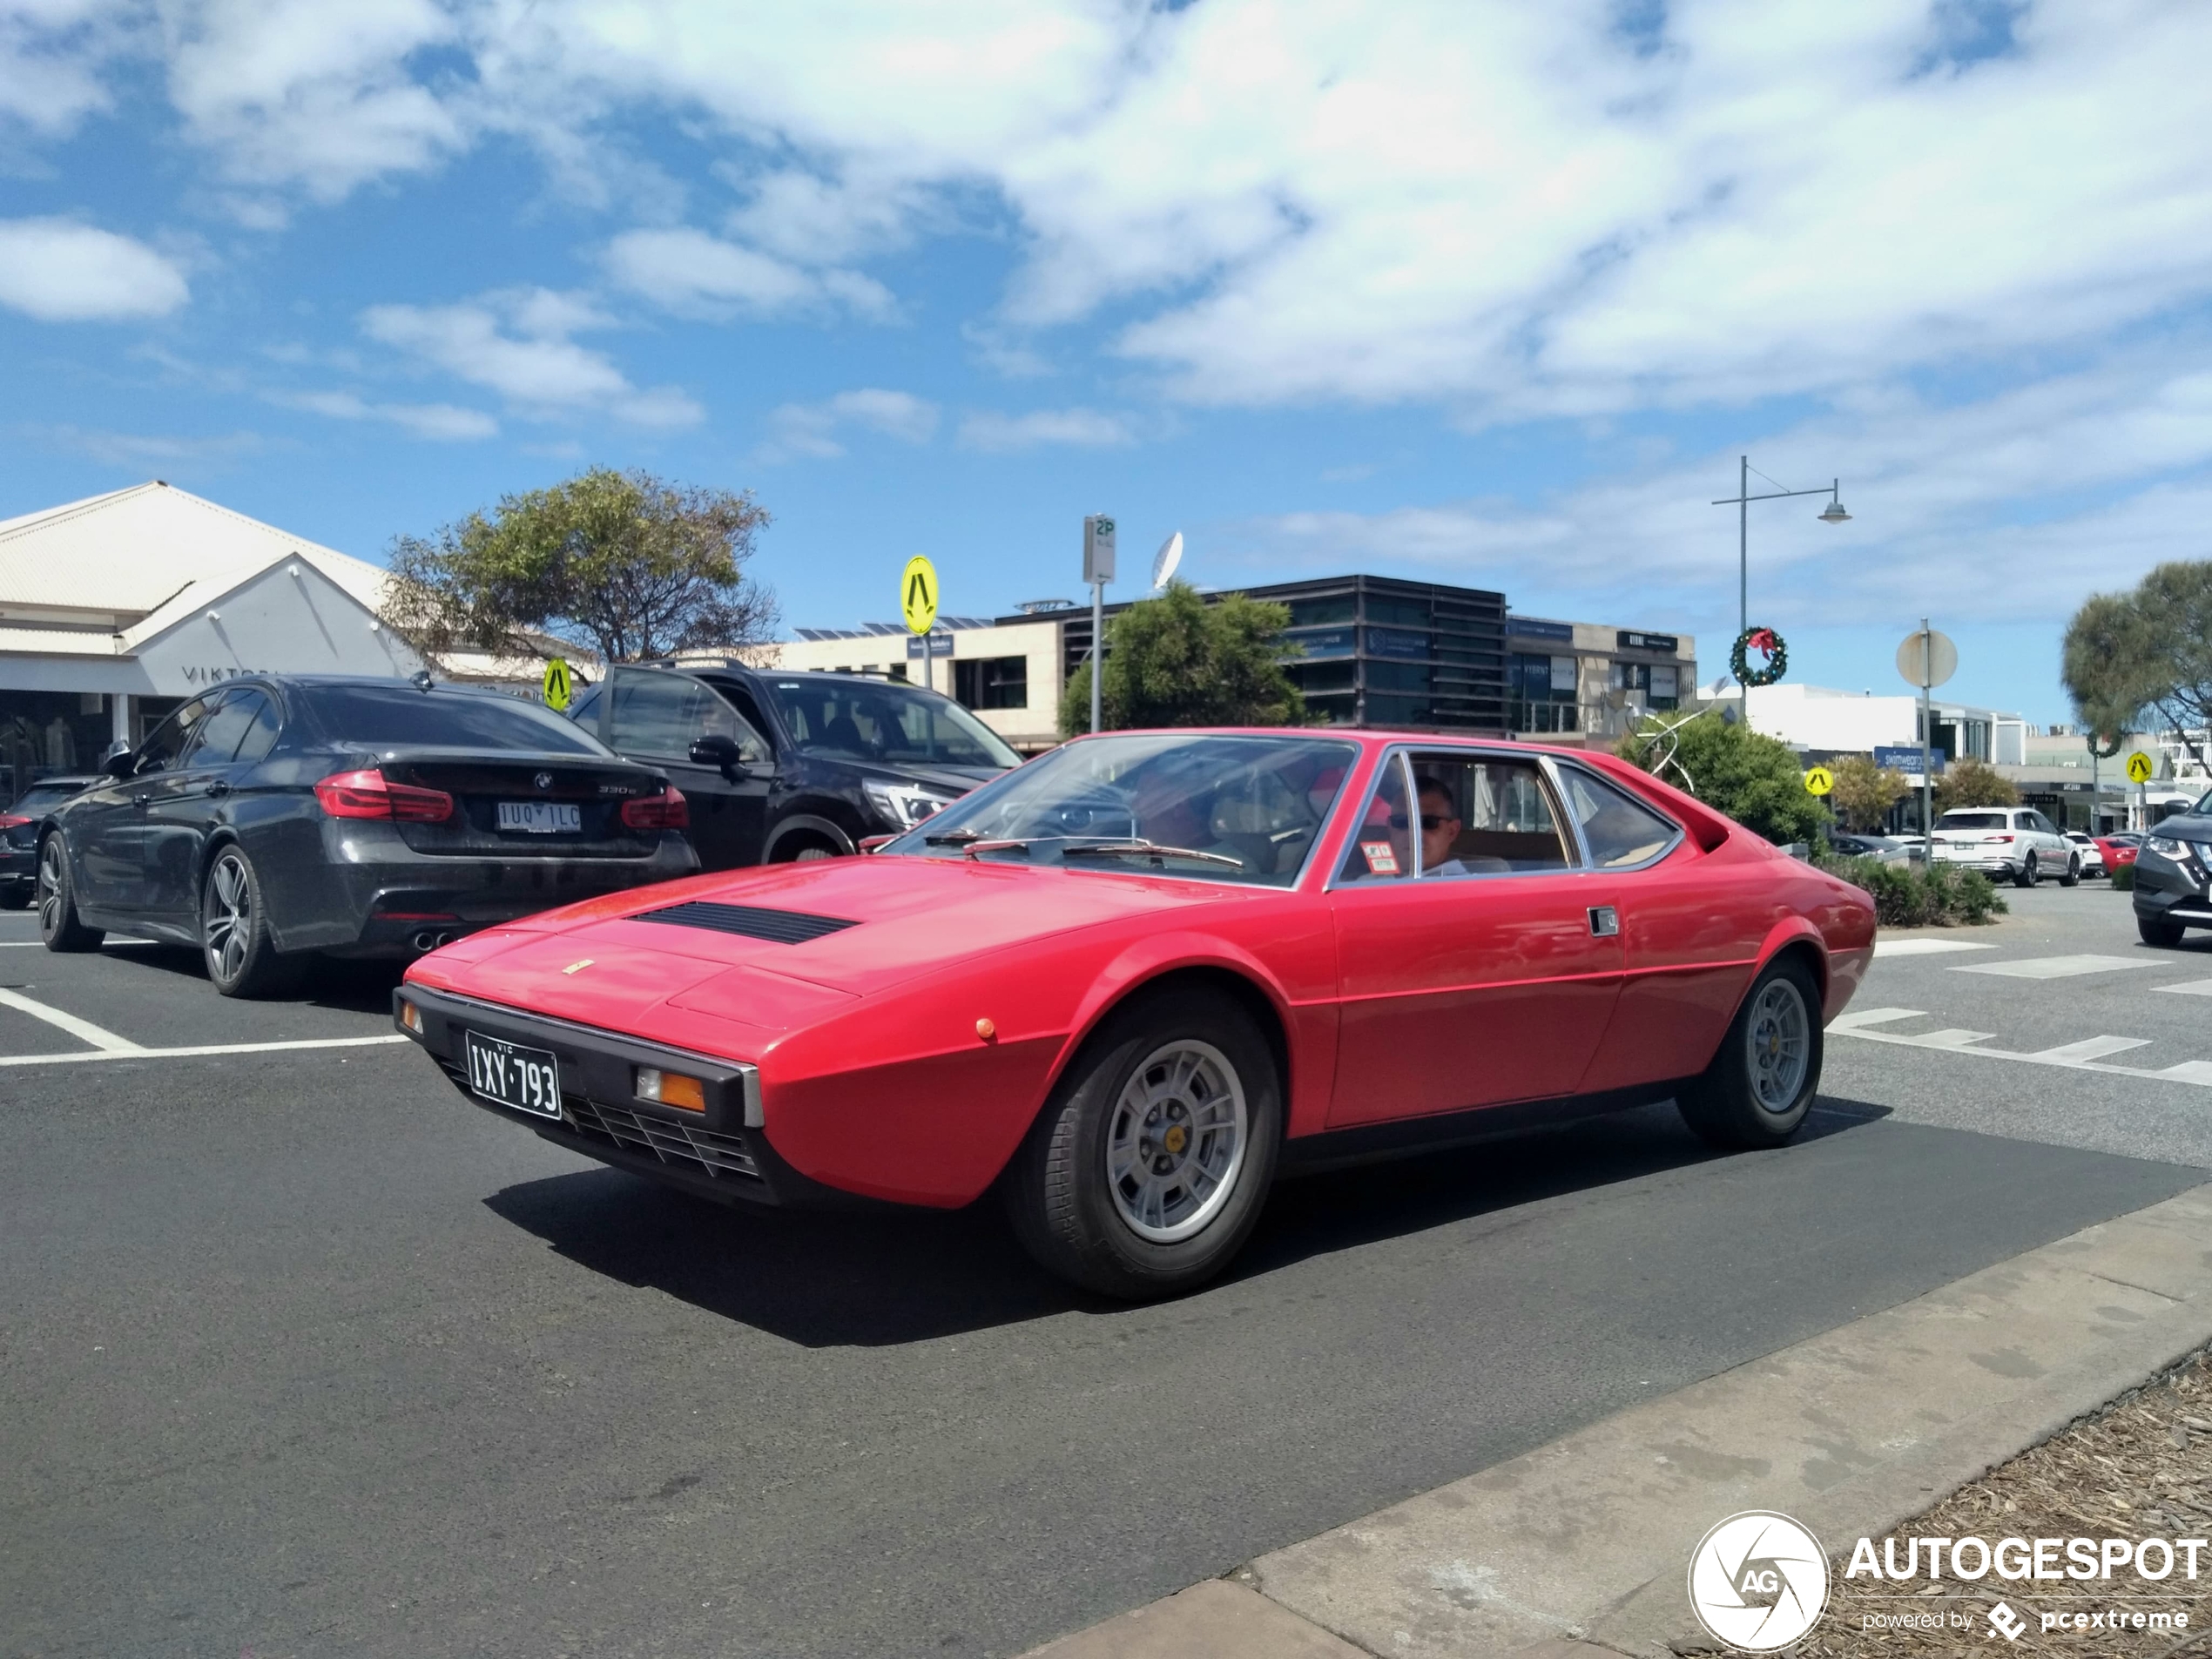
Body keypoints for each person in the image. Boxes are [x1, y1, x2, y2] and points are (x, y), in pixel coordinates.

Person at [1413, 776, 1471, 876]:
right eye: (1400, 822)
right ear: (1389, 827)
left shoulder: (1463, 887)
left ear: (1452, 831)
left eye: (1428, 822)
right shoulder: (1380, 880)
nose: (1412, 833)